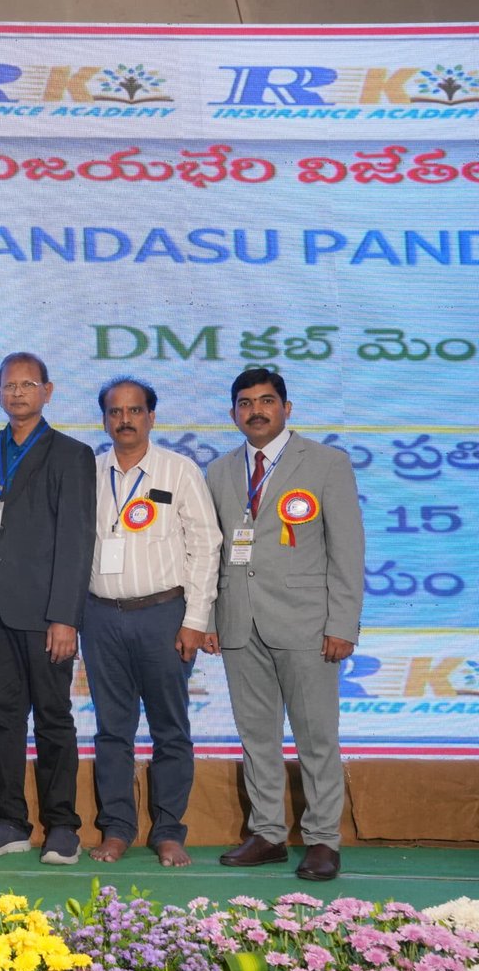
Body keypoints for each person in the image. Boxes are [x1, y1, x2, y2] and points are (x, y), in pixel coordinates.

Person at [207, 367, 364, 882]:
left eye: (266, 400)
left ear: (286, 408)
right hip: (238, 622)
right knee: (257, 736)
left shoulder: (326, 463)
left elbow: (347, 550)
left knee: (317, 737)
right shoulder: (219, 471)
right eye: (245, 403)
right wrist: (208, 617)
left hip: (308, 624)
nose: (256, 410)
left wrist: (343, 624)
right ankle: (268, 833)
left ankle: (322, 839)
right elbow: (212, 552)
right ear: (233, 413)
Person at [0, 351, 96, 865]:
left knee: (54, 720)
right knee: (3, 719)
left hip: (46, 617)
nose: (17, 393)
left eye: (27, 384)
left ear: (48, 390)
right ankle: (11, 822)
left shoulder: (71, 455)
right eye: (9, 386)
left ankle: (62, 826)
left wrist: (65, 616)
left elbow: (77, 541)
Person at [84, 377, 221, 868]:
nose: (125, 420)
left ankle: (168, 831)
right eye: (115, 412)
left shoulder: (179, 470)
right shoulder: (89, 472)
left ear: (151, 417)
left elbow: (206, 546)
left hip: (165, 616)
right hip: (101, 617)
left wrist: (196, 619)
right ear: (105, 419)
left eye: (135, 411)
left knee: (170, 729)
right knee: (111, 731)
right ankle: (117, 829)